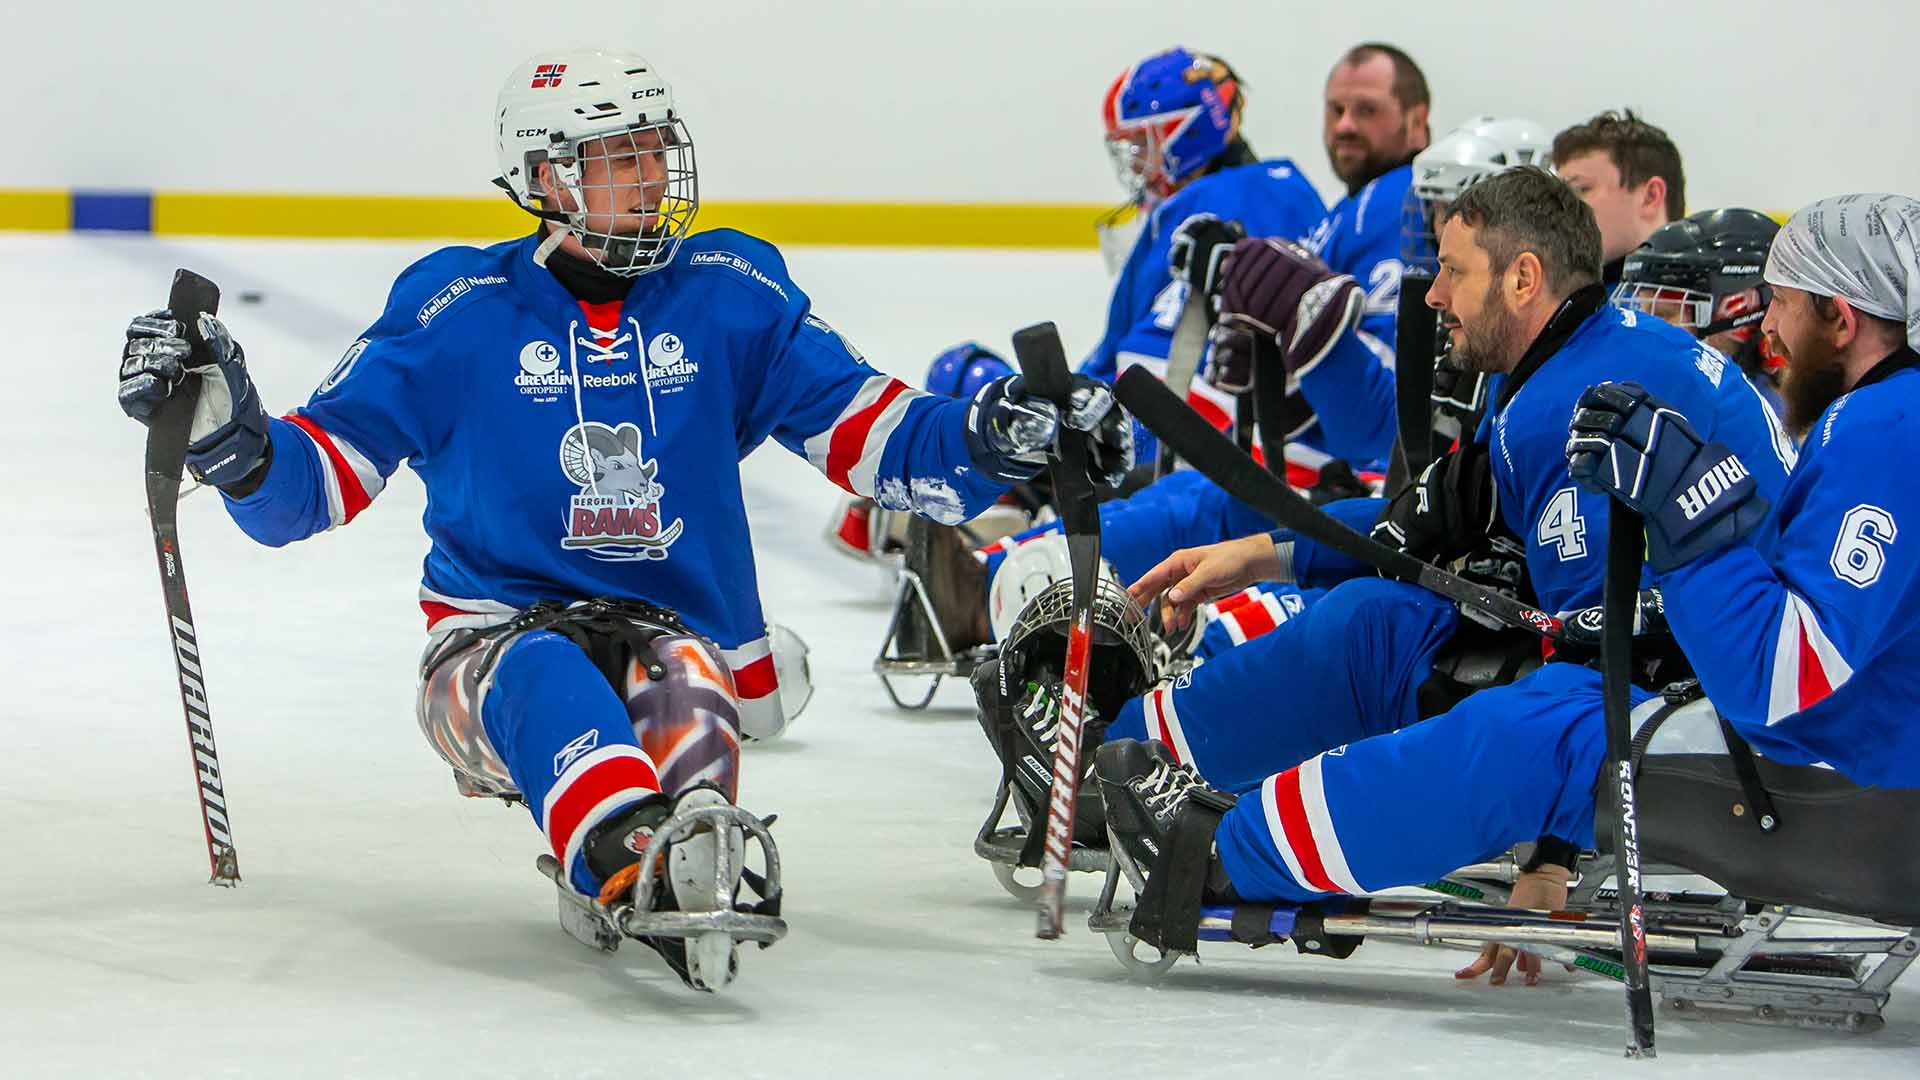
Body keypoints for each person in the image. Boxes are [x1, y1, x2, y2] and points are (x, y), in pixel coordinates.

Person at [113, 48, 1130, 992]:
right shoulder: (454, 311)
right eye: (618, 155)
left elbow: (881, 438)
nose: (650, 173)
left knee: (687, 687)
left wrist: (999, 435)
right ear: (547, 177)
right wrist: (230, 437)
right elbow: (311, 486)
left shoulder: (732, 294)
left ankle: (691, 841)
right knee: (548, 670)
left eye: (655, 148)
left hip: (677, 638)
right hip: (488, 653)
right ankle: (625, 849)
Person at [1095, 192, 1920, 986]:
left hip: (1841, 782)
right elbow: (1450, 518)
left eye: (1781, 304)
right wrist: (1279, 551)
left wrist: (1692, 526)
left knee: (1532, 731)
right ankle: (1159, 765)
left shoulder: (1885, 428)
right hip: (1852, 762)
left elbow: (1782, 676)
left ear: (1842, 318)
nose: (1767, 328)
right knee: (1410, 643)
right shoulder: (1879, 415)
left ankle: (1215, 859)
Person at [1612, 208, 1784, 397]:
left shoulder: (1780, 417)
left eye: (1663, 315)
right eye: (1640, 311)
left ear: (1741, 309)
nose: (1643, 330)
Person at [1550, 110, 1685, 281]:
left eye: (1580, 189)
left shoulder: (1712, 301)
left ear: (1651, 197)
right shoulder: (1566, 297)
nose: (1557, 207)